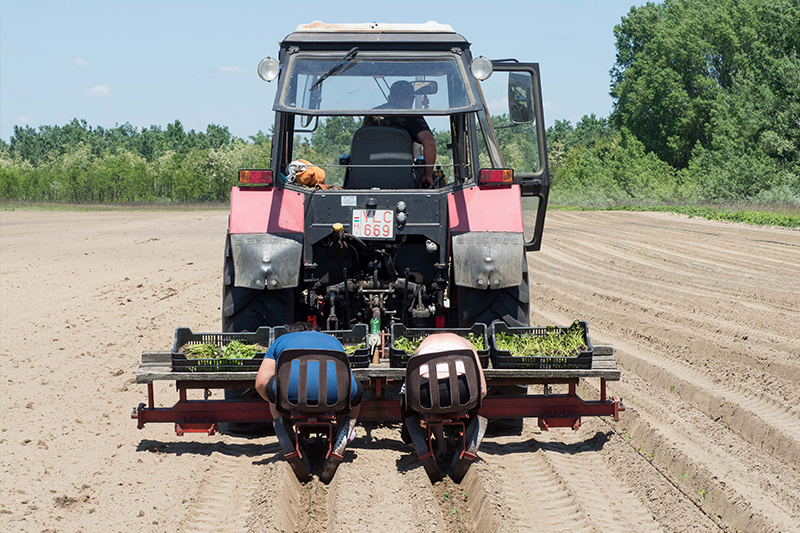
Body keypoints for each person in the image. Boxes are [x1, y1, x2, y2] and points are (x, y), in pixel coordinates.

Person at [254, 322, 362, 428]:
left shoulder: (281, 341)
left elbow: (261, 383)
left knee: (271, 385)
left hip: (288, 396)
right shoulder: (333, 340)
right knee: (357, 387)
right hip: (337, 397)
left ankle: (282, 428)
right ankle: (345, 429)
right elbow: (346, 376)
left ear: (291, 332)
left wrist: (277, 402)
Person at [403, 333, 487, 461]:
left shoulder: (423, 346)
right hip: (462, 391)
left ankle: (411, 437)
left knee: (423, 394)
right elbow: (483, 390)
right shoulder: (468, 346)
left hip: (426, 395)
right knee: (472, 390)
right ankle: (465, 440)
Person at [364, 80, 436, 188]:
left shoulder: (372, 114)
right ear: (412, 99)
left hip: (367, 178)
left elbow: (362, 140)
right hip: (403, 181)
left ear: (389, 98)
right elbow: (430, 143)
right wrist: (428, 175)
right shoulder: (412, 116)